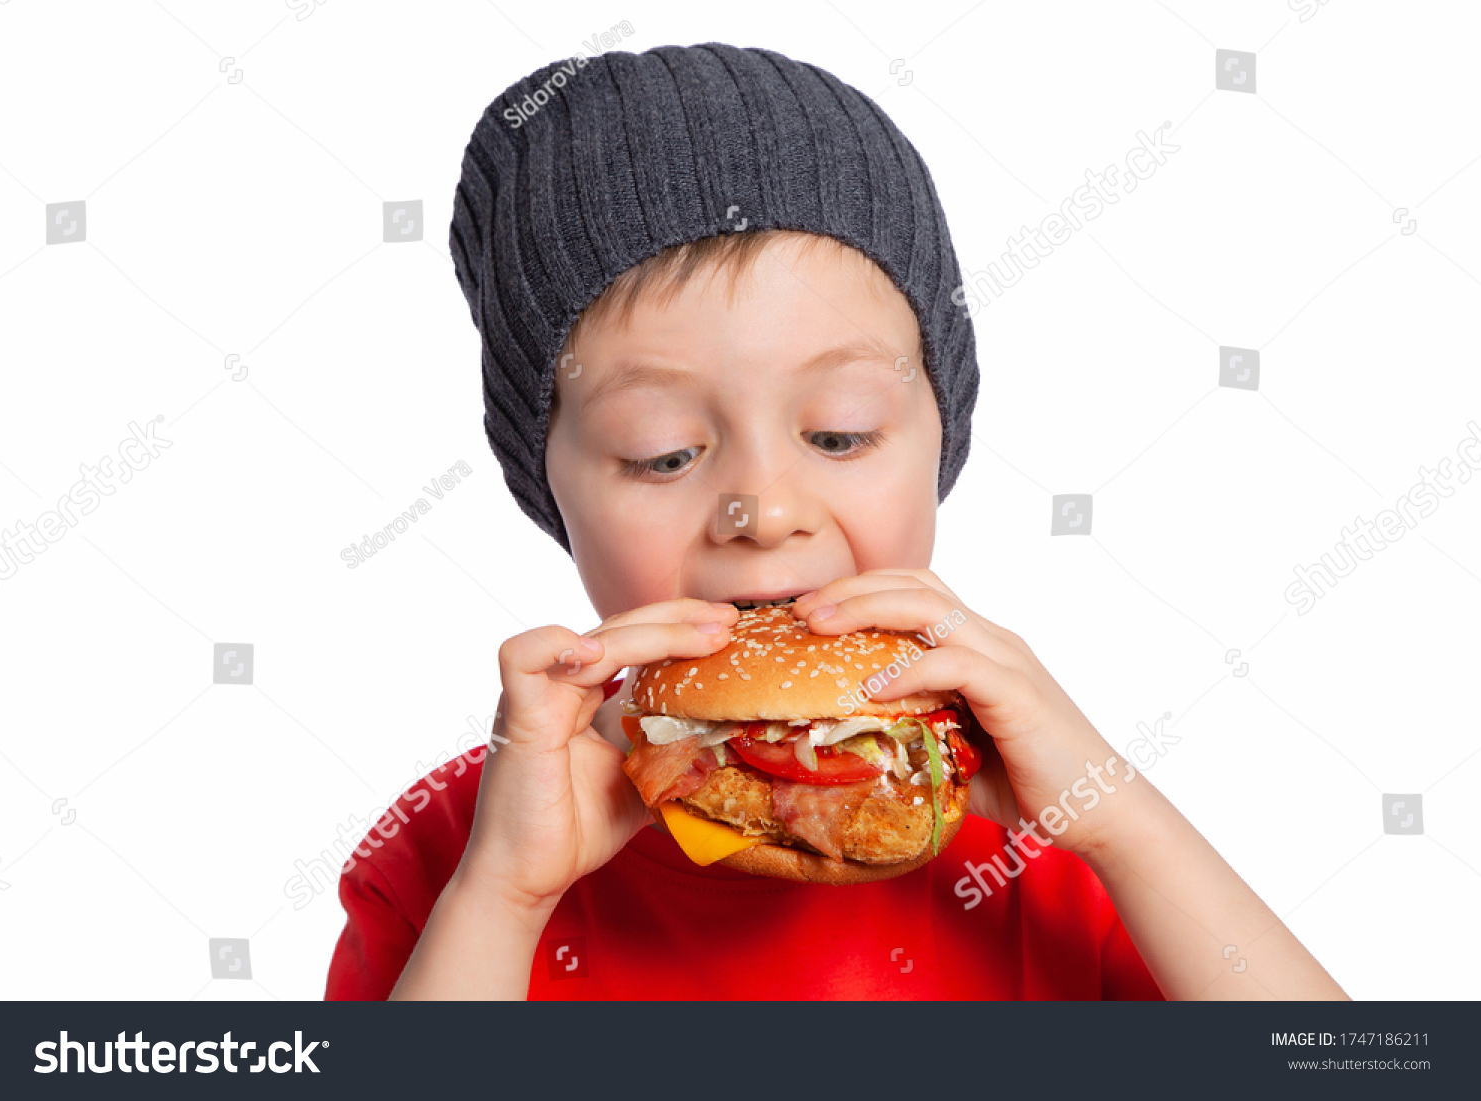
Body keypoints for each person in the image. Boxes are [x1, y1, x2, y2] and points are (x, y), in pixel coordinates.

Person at [325, 42, 1346, 1001]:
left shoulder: (1047, 833)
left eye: (843, 433)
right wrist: (502, 899)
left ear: (941, 434)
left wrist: (1118, 819)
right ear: (545, 484)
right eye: (663, 453)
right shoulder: (455, 853)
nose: (764, 511)